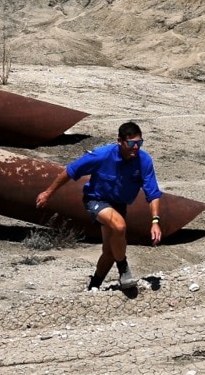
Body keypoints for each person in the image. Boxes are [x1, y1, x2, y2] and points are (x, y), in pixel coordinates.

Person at [35, 120, 162, 291]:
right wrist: (48, 193)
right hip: (96, 200)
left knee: (110, 252)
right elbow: (70, 171)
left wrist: (155, 221)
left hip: (119, 204)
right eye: (131, 143)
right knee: (119, 225)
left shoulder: (144, 161)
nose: (136, 147)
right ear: (120, 141)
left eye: (139, 142)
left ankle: (93, 286)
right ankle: (124, 270)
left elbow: (153, 193)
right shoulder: (102, 155)